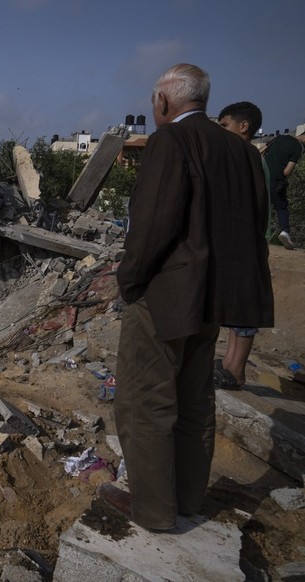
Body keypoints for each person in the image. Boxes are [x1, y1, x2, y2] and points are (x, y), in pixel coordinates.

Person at [103, 64, 273, 531]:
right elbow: (253, 222)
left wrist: (131, 281)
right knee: (194, 399)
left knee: (145, 401)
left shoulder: (170, 142)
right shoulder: (239, 149)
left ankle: (154, 510)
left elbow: (153, 223)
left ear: (163, 102)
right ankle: (186, 500)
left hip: (166, 295)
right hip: (213, 299)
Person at [212, 101, 271, 388]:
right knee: (238, 306)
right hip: (245, 240)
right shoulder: (247, 154)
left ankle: (236, 370)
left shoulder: (247, 155)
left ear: (243, 127)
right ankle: (229, 363)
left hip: (246, 241)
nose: (222, 132)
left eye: (225, 126)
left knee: (245, 307)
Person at [263, 131, 303, 249]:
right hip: (276, 181)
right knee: (281, 207)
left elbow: (261, 150)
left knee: (261, 205)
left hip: (262, 174)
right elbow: (287, 171)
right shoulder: (299, 148)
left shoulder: (280, 138)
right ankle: (285, 231)